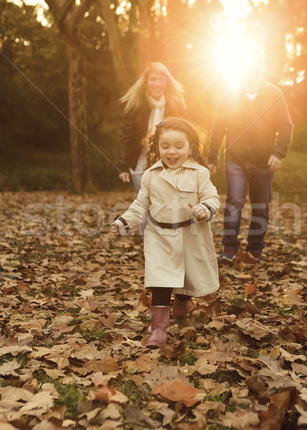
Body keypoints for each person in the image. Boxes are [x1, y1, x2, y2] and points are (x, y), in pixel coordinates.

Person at [111, 118, 220, 347]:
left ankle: (182, 301)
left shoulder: (199, 173)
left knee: (187, 277)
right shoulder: (150, 175)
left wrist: (205, 208)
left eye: (179, 146)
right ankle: (159, 329)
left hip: (190, 235)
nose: (172, 152)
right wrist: (123, 221)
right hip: (159, 235)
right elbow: (141, 205)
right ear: (156, 147)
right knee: (160, 281)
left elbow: (212, 197)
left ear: (190, 147)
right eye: (165, 146)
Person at [208, 51, 293, 262]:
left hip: (263, 161)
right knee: (234, 201)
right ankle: (229, 249)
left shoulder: (274, 94)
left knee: (260, 207)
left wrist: (278, 153)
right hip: (235, 159)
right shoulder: (230, 94)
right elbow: (218, 127)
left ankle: (255, 249)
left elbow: (285, 126)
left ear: (262, 68)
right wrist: (212, 157)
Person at [118, 63, 187, 194]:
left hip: (169, 158)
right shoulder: (135, 105)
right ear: (146, 82)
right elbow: (126, 137)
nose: (158, 83)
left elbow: (186, 135)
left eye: (162, 79)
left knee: (164, 201)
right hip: (141, 158)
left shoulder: (176, 104)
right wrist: (123, 165)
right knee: (144, 199)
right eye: (153, 79)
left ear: (167, 82)